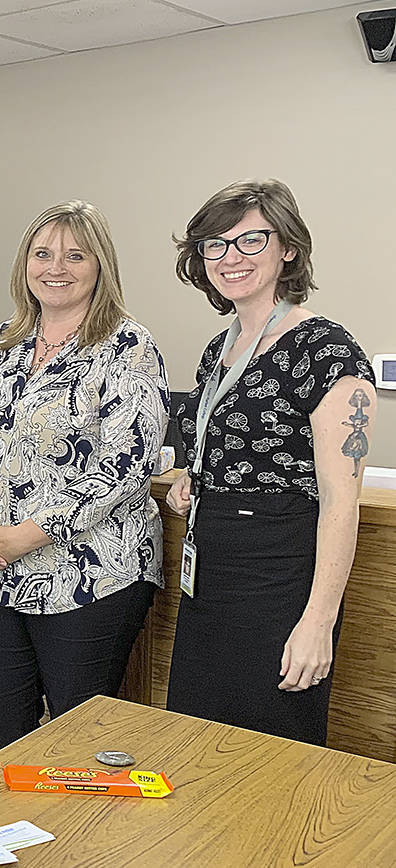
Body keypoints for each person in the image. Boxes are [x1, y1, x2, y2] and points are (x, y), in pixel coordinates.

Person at [164, 179, 376, 745]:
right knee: (197, 743)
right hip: (208, 581)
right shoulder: (222, 346)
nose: (231, 257)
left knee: (270, 756)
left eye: (250, 240)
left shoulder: (327, 350)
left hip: (278, 583)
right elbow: (242, 448)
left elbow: (340, 502)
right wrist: (194, 478)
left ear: (287, 248)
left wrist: (317, 624)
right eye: (216, 244)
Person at [0, 200, 168, 756]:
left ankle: (73, 846)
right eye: (43, 253)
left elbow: (127, 465)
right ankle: (12, 842)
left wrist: (29, 533)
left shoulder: (127, 345)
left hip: (89, 576)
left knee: (76, 745)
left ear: (101, 266)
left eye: (75, 255)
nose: (57, 267)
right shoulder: (4, 341)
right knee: (0, 729)